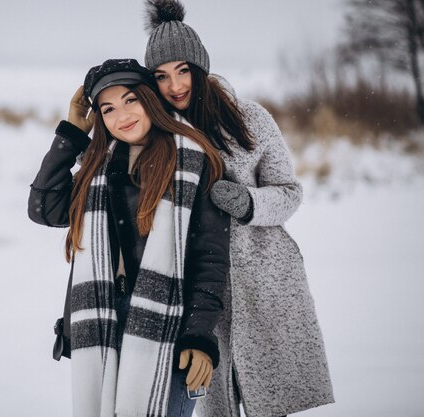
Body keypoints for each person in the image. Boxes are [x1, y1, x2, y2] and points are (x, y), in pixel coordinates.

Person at [139, 1, 335, 417]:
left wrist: (249, 203)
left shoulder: (250, 119)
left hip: (264, 281)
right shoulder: (157, 135)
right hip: (198, 290)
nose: (174, 85)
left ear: (200, 67)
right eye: (161, 75)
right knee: (211, 406)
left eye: (182, 70)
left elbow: (289, 192)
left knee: (270, 404)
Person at [28, 58, 231, 417]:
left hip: (170, 326)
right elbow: (44, 208)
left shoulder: (195, 162)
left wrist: (198, 337)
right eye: (107, 109)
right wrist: (72, 134)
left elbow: (210, 260)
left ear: (150, 99)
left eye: (130, 100)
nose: (121, 116)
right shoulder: (99, 168)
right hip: (106, 320)